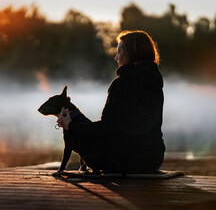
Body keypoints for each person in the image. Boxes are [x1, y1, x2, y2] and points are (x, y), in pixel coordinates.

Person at [57, 30, 165, 173]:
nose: (116, 57)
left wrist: (70, 126)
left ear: (132, 54)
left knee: (75, 134)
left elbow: (106, 128)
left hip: (125, 160)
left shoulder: (121, 85)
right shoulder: (155, 84)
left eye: (119, 52)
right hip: (153, 160)